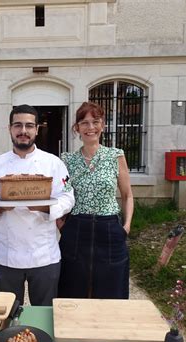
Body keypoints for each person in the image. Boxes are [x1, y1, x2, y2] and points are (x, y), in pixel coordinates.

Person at [0, 104, 74, 306]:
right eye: (18, 125)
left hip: (44, 256)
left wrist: (46, 208)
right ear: (9, 129)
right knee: (10, 312)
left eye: (29, 126)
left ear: (37, 129)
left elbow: (68, 197)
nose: (23, 131)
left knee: (44, 312)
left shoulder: (54, 163)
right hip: (6, 255)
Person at [57, 101, 134, 299]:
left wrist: (126, 227)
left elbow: (127, 195)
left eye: (95, 121)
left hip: (108, 228)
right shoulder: (67, 160)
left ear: (103, 125)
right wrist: (61, 224)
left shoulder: (116, 156)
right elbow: (60, 194)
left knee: (111, 285)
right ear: (77, 128)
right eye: (84, 122)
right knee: (73, 284)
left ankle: (108, 328)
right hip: (76, 228)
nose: (90, 127)